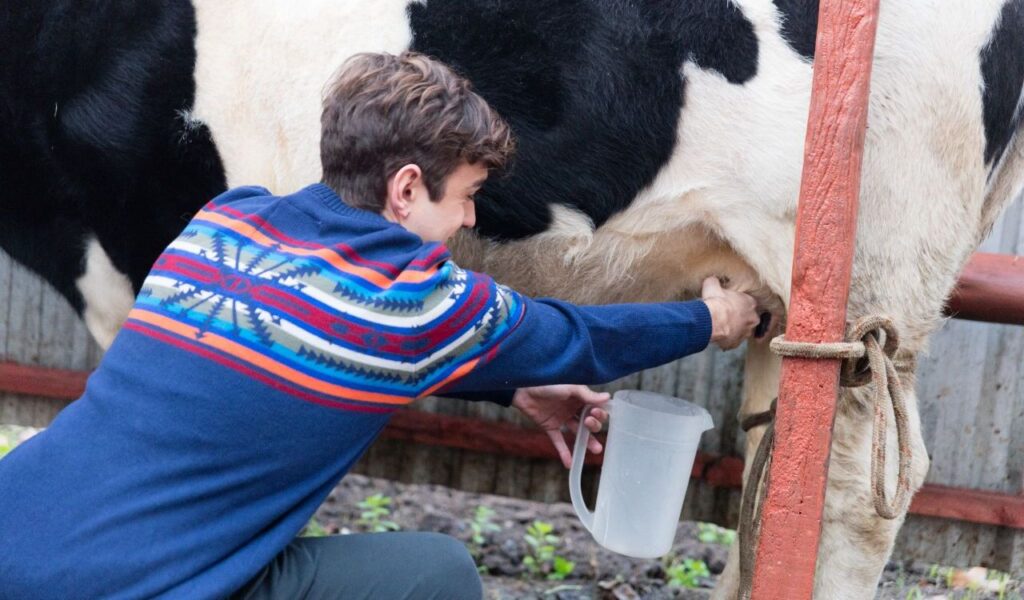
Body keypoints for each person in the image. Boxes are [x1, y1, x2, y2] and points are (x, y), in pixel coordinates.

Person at [0, 52, 761, 599]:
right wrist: (711, 317)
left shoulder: (226, 220)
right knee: (439, 574)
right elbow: (585, 337)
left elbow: (315, 345)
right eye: (466, 195)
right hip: (143, 584)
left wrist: (512, 391)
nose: (469, 218)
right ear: (405, 189)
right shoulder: (424, 299)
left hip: (15, 524)